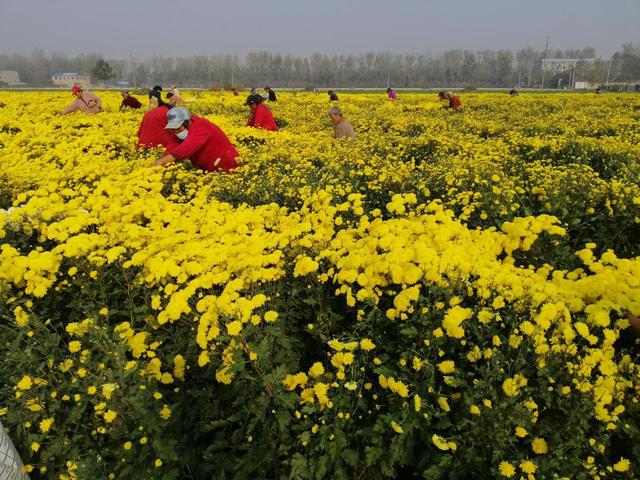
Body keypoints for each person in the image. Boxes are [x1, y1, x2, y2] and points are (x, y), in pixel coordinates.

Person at [153, 106, 239, 172]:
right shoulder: (177, 131)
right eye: (173, 129)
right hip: (207, 169)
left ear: (187, 122)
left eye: (178, 128)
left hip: (226, 167)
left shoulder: (201, 126)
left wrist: (160, 163)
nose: (176, 131)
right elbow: (172, 147)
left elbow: (185, 149)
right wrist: (158, 166)